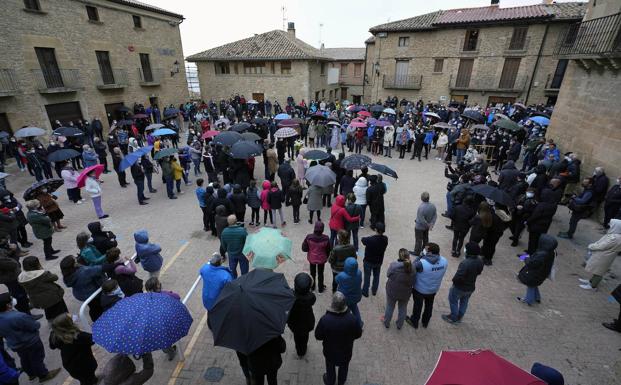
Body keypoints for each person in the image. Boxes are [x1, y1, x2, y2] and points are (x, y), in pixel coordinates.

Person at [0, 293, 61, 382]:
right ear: (8, 305)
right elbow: (34, 325)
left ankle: (31, 374)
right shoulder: (18, 316)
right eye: (11, 299)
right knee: (37, 359)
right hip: (30, 342)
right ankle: (43, 375)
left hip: (15, 344)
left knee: (24, 359)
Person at [315, 292, 363, 385]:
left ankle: (330, 381)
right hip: (346, 351)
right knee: (344, 367)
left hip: (330, 351)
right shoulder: (352, 319)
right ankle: (341, 381)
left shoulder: (325, 319)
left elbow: (318, 336)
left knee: (330, 366)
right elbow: (358, 334)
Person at [406, 243, 447, 329]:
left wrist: (420, 256)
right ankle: (425, 322)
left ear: (430, 252)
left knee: (418, 306)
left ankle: (414, 321)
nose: (424, 250)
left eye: (426, 249)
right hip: (433, 289)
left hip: (420, 289)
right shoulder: (444, 261)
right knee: (429, 305)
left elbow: (412, 267)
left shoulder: (422, 263)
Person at [49, 313, 98, 385]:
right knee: (88, 379)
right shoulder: (78, 336)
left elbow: (52, 346)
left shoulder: (54, 335)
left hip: (70, 365)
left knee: (84, 379)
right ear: (68, 324)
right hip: (85, 364)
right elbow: (92, 340)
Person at [442, 242, 484, 324]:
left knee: (453, 301)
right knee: (464, 302)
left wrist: (454, 282)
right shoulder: (480, 260)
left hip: (459, 288)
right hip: (471, 287)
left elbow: (458, 277)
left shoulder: (465, 263)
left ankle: (453, 318)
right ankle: (459, 317)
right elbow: (479, 272)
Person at [18, 256, 68, 320]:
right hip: (52, 296)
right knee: (60, 311)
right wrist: (42, 270)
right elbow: (55, 277)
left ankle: (52, 322)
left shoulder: (22, 277)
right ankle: (66, 322)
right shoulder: (42, 274)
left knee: (48, 311)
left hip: (38, 300)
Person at [579, 219, 621, 290]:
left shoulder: (614, 238)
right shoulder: (615, 235)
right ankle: (590, 281)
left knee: (599, 272)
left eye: (611, 225)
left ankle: (592, 286)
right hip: (604, 256)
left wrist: (591, 246)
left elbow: (602, 246)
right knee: (597, 270)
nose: (609, 226)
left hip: (604, 256)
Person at [144, 277, 179, 361]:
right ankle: (171, 352)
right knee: (167, 339)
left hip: (155, 324)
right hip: (166, 322)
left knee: (162, 340)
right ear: (158, 287)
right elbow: (177, 297)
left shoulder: (146, 299)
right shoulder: (165, 295)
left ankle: (168, 350)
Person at [60, 256, 105, 322]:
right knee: (97, 308)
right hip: (92, 294)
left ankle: (96, 320)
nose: (77, 259)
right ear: (74, 264)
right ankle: (99, 320)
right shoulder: (84, 271)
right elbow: (98, 269)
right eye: (75, 260)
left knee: (92, 306)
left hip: (81, 294)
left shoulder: (67, 275)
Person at [517, 234, 558, 305]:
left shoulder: (541, 254)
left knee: (530, 285)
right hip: (542, 274)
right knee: (534, 285)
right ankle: (537, 298)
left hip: (534, 274)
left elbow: (532, 263)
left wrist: (524, 258)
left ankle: (528, 300)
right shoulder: (551, 252)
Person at [384, 248, 415, 329]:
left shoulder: (394, 265)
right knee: (403, 308)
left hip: (392, 291)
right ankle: (399, 325)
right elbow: (413, 280)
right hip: (405, 292)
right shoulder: (413, 267)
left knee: (390, 307)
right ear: (408, 256)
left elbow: (388, 274)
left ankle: (386, 323)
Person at [287, 272, 316, 357]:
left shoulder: (291, 296)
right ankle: (303, 350)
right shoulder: (311, 297)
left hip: (294, 322)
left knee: (297, 337)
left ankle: (299, 351)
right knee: (305, 337)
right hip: (307, 322)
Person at [361, 222, 388, 297]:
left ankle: (365, 291)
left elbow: (363, 240)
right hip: (378, 261)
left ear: (376, 229)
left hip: (368, 261)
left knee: (367, 276)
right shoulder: (385, 239)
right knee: (376, 276)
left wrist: (371, 237)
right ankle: (374, 290)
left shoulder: (371, 240)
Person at [302, 221, 331, 292]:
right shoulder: (326, 238)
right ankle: (320, 288)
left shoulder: (309, 237)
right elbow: (329, 249)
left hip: (312, 258)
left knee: (312, 273)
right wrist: (326, 256)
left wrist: (310, 250)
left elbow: (304, 248)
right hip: (322, 258)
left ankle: (312, 286)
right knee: (321, 273)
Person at [335, 257, 363, 327]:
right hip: (356, 296)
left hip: (344, 298)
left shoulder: (342, 275)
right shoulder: (359, 273)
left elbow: (336, 280)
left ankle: (343, 325)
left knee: (343, 312)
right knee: (355, 309)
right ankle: (359, 324)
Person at [414, 192, 437, 256]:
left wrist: (427, 225)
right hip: (427, 227)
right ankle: (425, 250)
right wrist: (431, 225)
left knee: (418, 239)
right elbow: (435, 216)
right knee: (426, 238)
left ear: (421, 198)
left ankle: (417, 252)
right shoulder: (433, 206)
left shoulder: (421, 207)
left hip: (419, 227)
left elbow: (421, 220)